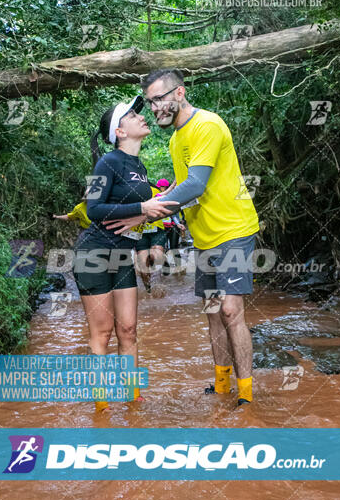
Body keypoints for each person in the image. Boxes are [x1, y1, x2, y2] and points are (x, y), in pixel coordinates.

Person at [104, 70, 259, 408]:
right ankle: (221, 385)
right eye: (150, 101)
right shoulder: (176, 140)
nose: (154, 107)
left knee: (231, 310)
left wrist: (144, 214)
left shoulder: (208, 125)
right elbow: (179, 190)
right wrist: (150, 218)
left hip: (233, 229)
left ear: (179, 93)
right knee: (213, 310)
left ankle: (245, 394)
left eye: (159, 99)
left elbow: (196, 185)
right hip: (204, 237)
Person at [73, 95, 177, 412]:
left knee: (128, 330)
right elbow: (93, 209)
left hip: (123, 256)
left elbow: (138, 215)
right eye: (132, 115)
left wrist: (164, 209)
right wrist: (142, 207)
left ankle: (133, 400)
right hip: (94, 253)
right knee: (102, 333)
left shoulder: (138, 165)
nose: (141, 117)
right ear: (119, 131)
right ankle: (102, 408)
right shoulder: (107, 162)